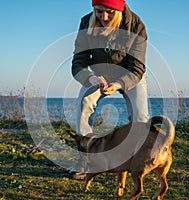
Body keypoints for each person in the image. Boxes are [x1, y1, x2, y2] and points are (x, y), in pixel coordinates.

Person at [70, 0, 149, 179]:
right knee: (84, 103)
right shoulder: (85, 23)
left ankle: (136, 160)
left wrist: (119, 84)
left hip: (130, 75)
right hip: (98, 77)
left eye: (109, 12)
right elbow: (78, 64)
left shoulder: (136, 25)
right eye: (99, 11)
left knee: (141, 117)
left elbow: (137, 68)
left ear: (119, 10)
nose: (104, 17)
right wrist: (91, 78)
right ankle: (85, 159)